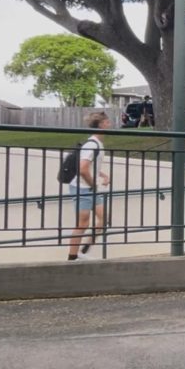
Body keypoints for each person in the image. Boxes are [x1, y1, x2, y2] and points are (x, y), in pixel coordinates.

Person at [67, 110, 110, 261]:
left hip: (90, 187)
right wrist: (93, 184)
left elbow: (90, 166)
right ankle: (72, 257)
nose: (109, 124)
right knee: (83, 223)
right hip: (82, 187)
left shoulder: (97, 143)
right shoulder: (92, 144)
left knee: (103, 219)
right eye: (106, 122)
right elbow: (83, 168)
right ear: (100, 125)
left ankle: (83, 251)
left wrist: (103, 175)